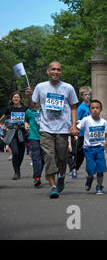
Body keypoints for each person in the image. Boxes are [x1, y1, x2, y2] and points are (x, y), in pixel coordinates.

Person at [26, 61, 78, 199]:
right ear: (48, 71)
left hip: (62, 129)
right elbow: (33, 106)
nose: (56, 72)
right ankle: (53, 186)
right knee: (49, 156)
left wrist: (73, 126)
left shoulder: (68, 88)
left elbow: (73, 107)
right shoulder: (41, 87)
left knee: (62, 158)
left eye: (58, 70)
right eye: (53, 69)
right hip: (45, 129)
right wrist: (29, 97)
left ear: (61, 72)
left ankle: (61, 176)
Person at [76, 100, 107, 194]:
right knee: (90, 169)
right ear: (89, 110)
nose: (95, 110)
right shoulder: (86, 120)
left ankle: (99, 186)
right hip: (88, 149)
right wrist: (75, 133)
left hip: (100, 148)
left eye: (97, 108)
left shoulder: (103, 122)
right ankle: (89, 178)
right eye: (92, 108)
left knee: (100, 168)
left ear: (101, 109)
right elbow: (77, 128)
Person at [0, 92, 29, 180]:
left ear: (21, 99)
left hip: (22, 133)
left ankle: (17, 169)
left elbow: (28, 119)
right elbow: (2, 119)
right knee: (15, 152)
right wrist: (2, 126)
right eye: (14, 97)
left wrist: (27, 125)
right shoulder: (9, 108)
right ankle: (16, 172)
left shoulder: (25, 108)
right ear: (12, 99)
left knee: (20, 154)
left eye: (17, 97)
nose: (16, 99)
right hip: (12, 133)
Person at [69, 86, 92, 179]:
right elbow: (76, 120)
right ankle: (74, 168)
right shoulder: (81, 108)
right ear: (82, 96)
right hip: (82, 133)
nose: (87, 96)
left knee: (90, 153)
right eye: (85, 94)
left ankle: (90, 171)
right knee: (80, 154)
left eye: (89, 94)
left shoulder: (92, 106)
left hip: (91, 134)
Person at [24, 100, 44, 187]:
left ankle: (38, 173)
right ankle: (37, 178)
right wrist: (26, 125)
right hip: (34, 136)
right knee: (36, 156)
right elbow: (26, 120)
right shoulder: (29, 111)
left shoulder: (45, 110)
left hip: (45, 136)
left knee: (43, 159)